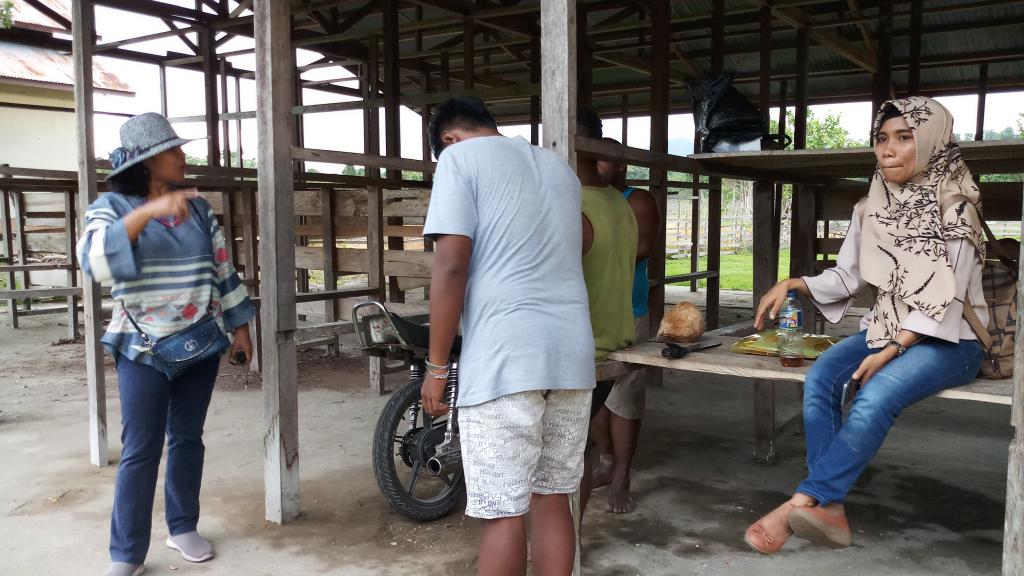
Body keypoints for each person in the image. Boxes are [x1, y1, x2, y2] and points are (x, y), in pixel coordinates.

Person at [744, 96, 987, 554]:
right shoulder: (870, 207)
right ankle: (828, 506)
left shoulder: (956, 207)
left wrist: (892, 351)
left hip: (951, 339)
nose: (887, 150)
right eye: (881, 139)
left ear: (932, 141)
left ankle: (802, 501)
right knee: (821, 379)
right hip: (887, 329)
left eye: (904, 138)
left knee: (874, 396)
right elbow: (848, 277)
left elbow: (948, 297)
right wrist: (794, 283)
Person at [419, 97, 595, 576]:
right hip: (571, 355)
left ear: (449, 138)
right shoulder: (558, 169)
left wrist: (437, 366)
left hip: (505, 356)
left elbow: (451, 263)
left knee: (502, 510)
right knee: (553, 495)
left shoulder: (458, 159)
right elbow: (584, 239)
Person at [78, 113, 255, 576]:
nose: (182, 155)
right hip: (143, 349)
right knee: (140, 448)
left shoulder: (198, 209)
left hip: (199, 343)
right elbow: (95, 262)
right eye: (173, 149)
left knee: (188, 438)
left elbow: (222, 268)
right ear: (148, 160)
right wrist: (145, 213)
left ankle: (182, 527)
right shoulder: (111, 206)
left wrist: (241, 326)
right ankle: (127, 554)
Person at [574, 110, 639, 516]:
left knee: (565, 455)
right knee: (577, 447)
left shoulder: (572, 203)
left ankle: (566, 542)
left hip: (584, 345)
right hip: (615, 336)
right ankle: (571, 540)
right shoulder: (618, 202)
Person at [591, 137, 660, 514]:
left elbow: (644, 248)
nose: (596, 167)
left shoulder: (637, 201)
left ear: (621, 165)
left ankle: (622, 476)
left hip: (628, 308)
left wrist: (591, 248)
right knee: (595, 393)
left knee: (625, 397)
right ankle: (605, 462)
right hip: (594, 309)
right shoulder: (591, 199)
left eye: (603, 160)